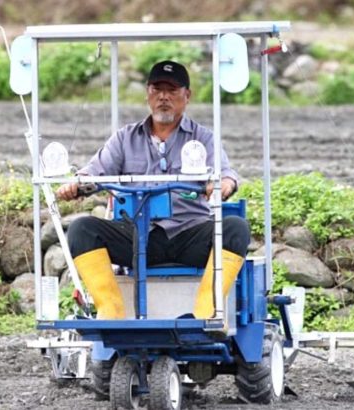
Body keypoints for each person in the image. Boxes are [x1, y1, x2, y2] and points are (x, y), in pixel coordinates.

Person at [56, 60, 250, 319]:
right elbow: (93, 171)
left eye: (172, 90)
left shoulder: (203, 138)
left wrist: (224, 184)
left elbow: (227, 175)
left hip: (189, 233)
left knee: (235, 228)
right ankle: (111, 314)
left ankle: (207, 314)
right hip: (138, 236)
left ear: (187, 96)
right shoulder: (125, 137)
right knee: (82, 229)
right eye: (157, 90)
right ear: (148, 93)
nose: (164, 97)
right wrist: (75, 184)